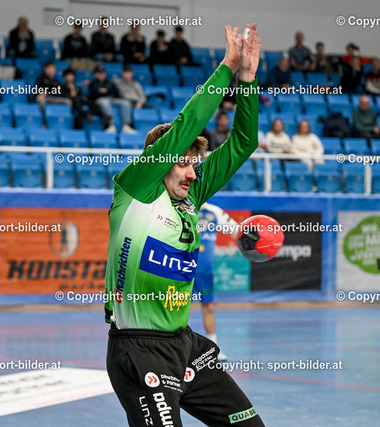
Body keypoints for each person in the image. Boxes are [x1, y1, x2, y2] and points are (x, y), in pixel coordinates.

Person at [104, 23, 264, 427]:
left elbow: (243, 144)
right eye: (183, 162)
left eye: (195, 164)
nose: (193, 173)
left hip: (184, 344)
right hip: (140, 349)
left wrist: (247, 81)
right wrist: (226, 68)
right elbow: (186, 126)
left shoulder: (190, 195)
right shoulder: (136, 189)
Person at [194, 203, 239, 362]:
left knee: (209, 307)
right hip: (183, 267)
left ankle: (213, 349)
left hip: (205, 270)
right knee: (178, 308)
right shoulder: (180, 206)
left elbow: (237, 230)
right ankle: (177, 349)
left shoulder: (214, 211)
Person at [89, 64, 137, 134]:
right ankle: (111, 125)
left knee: (125, 103)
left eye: (103, 72)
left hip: (111, 99)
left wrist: (105, 91)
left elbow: (116, 93)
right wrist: (106, 92)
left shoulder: (109, 82)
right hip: (99, 100)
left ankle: (126, 126)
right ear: (95, 74)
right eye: (99, 73)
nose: (101, 74)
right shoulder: (92, 83)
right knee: (105, 102)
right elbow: (94, 94)